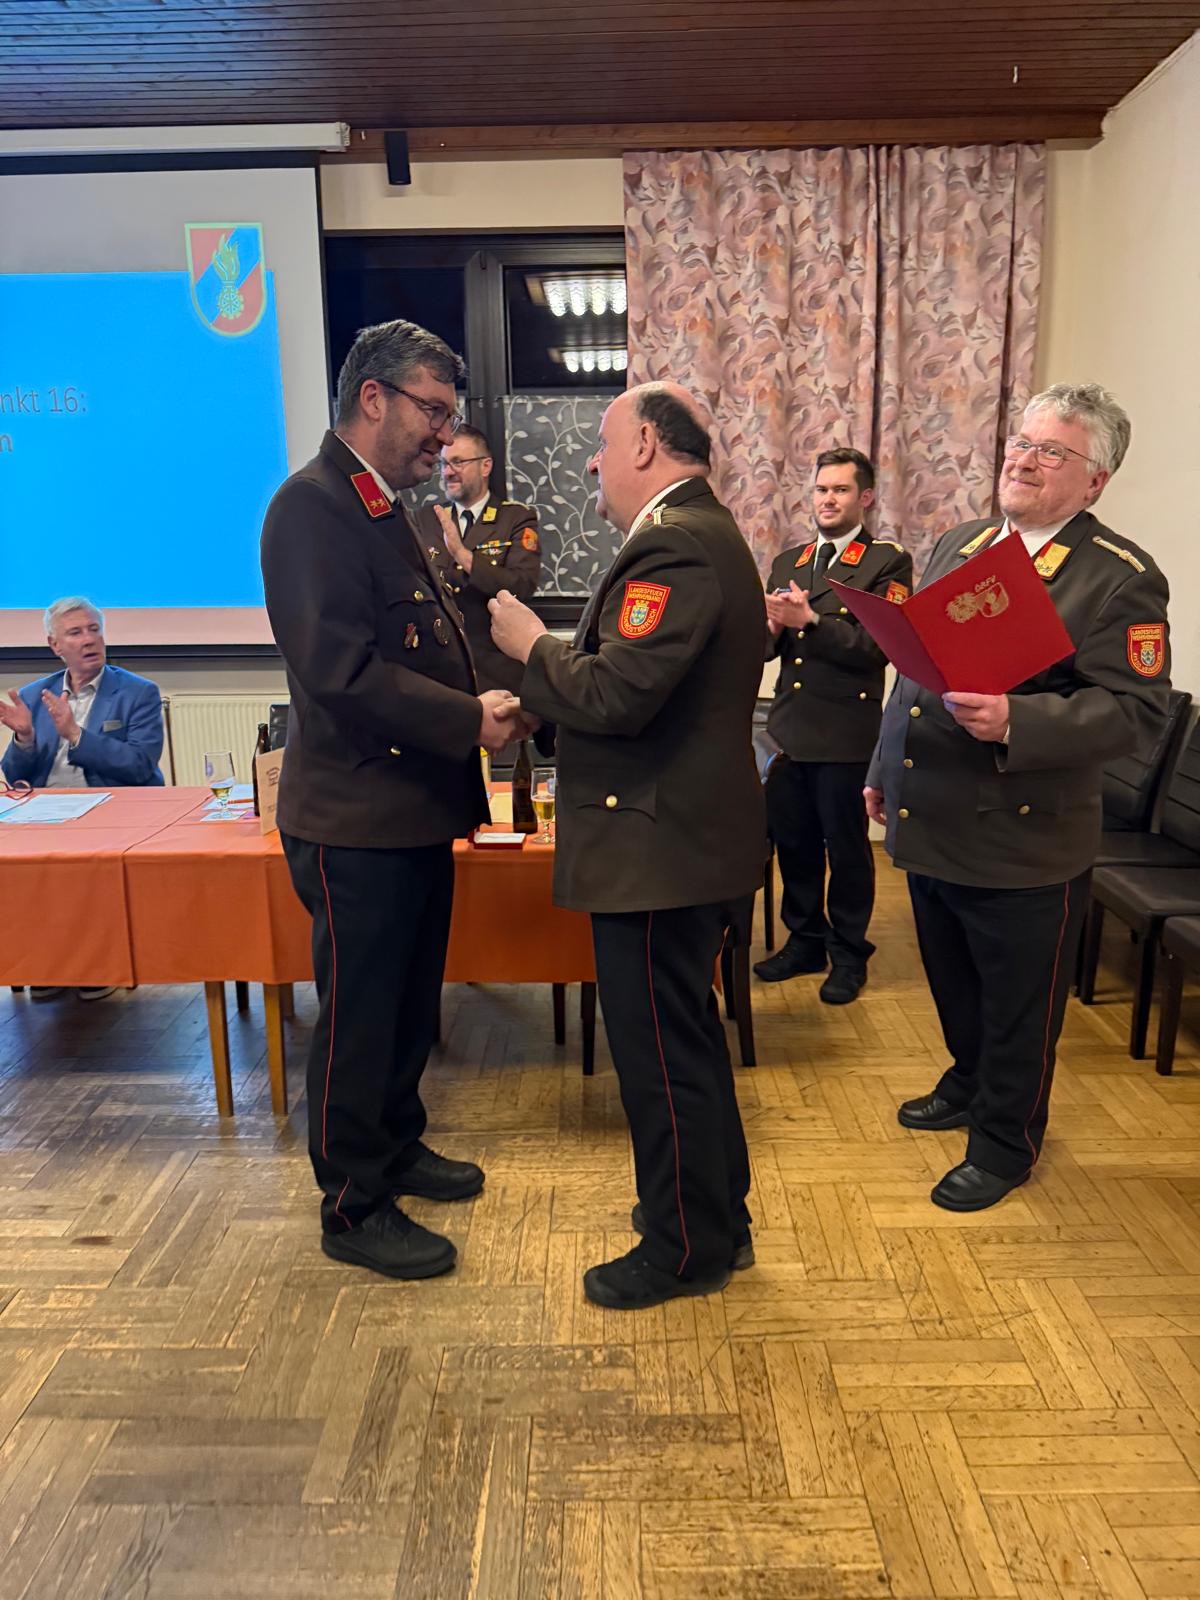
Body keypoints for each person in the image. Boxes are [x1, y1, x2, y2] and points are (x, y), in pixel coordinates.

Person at [489, 381, 767, 1311]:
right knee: (686, 1043)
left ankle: (683, 1249)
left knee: (660, 1058)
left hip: (658, 850)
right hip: (677, 839)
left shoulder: (674, 542)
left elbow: (617, 694)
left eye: (603, 446)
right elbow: (641, 690)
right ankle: (717, 1220)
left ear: (645, 443)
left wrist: (532, 646)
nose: (592, 464)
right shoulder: (699, 533)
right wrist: (553, 698)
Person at [865, 382, 1171, 1212]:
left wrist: (1017, 721)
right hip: (934, 818)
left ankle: (1006, 1143)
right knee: (953, 982)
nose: (1023, 460)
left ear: (1096, 479)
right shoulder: (961, 543)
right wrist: (884, 766)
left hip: (1023, 841)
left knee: (1018, 1008)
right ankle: (968, 1082)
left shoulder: (1118, 579)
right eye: (1021, 443)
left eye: (1051, 451)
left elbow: (1137, 712)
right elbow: (915, 674)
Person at [260, 319, 523, 1280]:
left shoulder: (383, 508)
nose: (443, 437)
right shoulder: (311, 507)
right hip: (355, 820)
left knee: (409, 1004)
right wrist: (467, 720)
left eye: (450, 418)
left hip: (407, 811)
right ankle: (352, 1203)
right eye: (432, 412)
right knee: (361, 1018)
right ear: (373, 397)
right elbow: (340, 672)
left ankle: (397, 1142)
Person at [755, 449, 912, 1003]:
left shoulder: (885, 564)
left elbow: (880, 648)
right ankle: (805, 941)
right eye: (822, 489)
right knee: (795, 844)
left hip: (845, 731)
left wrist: (812, 620)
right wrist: (772, 627)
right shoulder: (790, 561)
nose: (827, 499)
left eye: (840, 490)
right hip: (788, 730)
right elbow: (769, 649)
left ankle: (848, 952)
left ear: (864, 498)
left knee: (845, 850)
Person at [1, 596, 165, 1003]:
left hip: (115, 809)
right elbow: (16, 776)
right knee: (24, 868)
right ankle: (47, 962)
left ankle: (96, 963)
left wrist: (76, 735)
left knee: (87, 864)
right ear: (55, 645)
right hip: (47, 811)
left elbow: (139, 766)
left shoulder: (137, 693)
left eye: (94, 629)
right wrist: (24, 737)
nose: (89, 639)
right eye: (75, 633)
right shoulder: (35, 695)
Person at [415, 426, 541, 694]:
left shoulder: (515, 518)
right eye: (444, 464)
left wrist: (462, 554)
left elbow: (522, 585)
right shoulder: (426, 519)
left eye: (458, 462)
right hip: (442, 675)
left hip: (497, 675)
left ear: (485, 466)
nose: (448, 472)